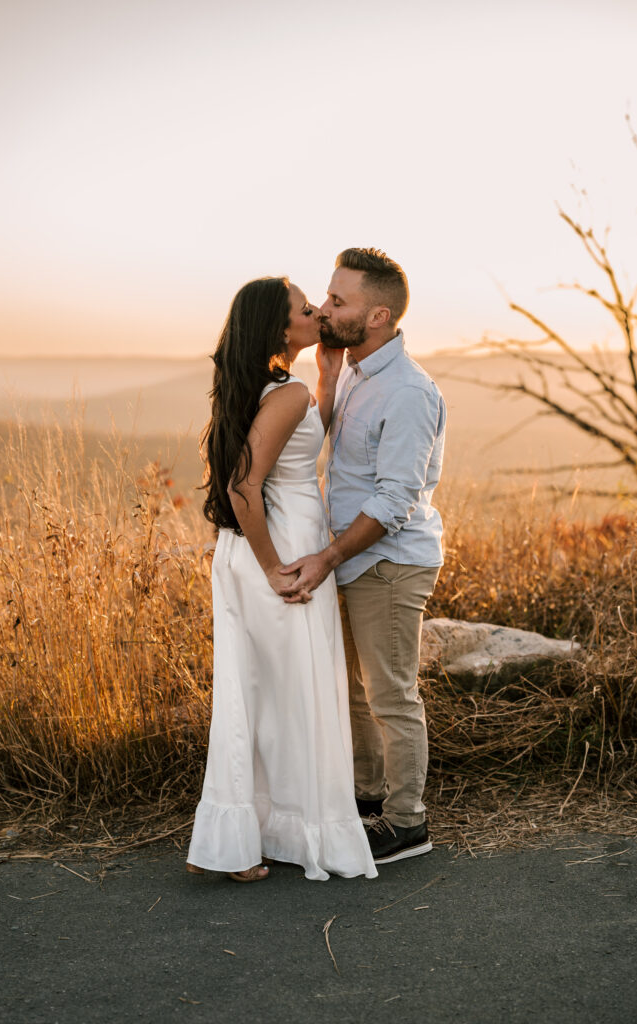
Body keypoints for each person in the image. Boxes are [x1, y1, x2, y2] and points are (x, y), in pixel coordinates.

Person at [186, 276, 377, 883]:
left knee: (263, 692)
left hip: (266, 544)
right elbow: (245, 486)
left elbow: (295, 443)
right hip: (282, 548)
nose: (318, 310)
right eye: (305, 308)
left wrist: (324, 375)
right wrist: (273, 567)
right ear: (280, 327)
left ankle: (246, 836)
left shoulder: (281, 389)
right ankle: (263, 836)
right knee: (287, 692)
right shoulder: (284, 393)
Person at [280, 248, 447, 865]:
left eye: (339, 301)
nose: (324, 309)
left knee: (392, 695)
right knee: (354, 692)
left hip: (390, 561)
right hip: (352, 557)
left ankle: (408, 824)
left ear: (378, 315)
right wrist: (325, 375)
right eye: (327, 296)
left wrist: (326, 556)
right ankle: (368, 799)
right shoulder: (352, 368)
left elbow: (396, 499)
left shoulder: (407, 392)